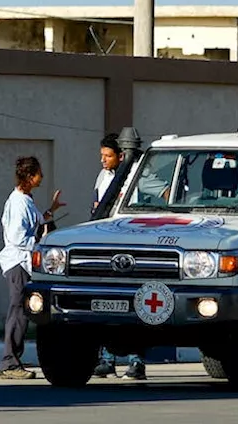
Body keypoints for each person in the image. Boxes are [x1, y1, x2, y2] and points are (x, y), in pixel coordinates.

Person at [0, 155, 63, 380]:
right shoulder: (18, 202)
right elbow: (17, 237)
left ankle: (12, 360)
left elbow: (34, 223)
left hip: (24, 262)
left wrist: (50, 212)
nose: (41, 177)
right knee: (18, 311)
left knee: (22, 310)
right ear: (29, 176)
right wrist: (39, 244)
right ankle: (9, 362)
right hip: (18, 262)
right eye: (38, 173)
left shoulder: (26, 200)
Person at [90, 134, 148, 380]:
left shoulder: (138, 175)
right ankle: (107, 360)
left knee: (134, 305)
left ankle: (136, 362)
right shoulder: (104, 176)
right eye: (102, 155)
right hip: (107, 244)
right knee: (105, 303)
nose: (103, 160)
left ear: (122, 155)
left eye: (108, 156)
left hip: (132, 245)